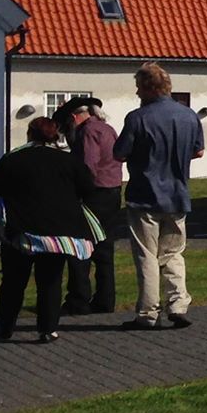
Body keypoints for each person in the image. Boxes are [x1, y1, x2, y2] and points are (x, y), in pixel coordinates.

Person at [0, 118, 99, 343]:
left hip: (22, 230)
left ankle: (6, 326)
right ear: (55, 135)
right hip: (58, 233)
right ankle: (48, 329)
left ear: (30, 134)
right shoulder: (69, 160)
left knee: (13, 282)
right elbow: (89, 188)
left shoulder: (14, 159)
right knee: (50, 281)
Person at [112, 61, 205, 330]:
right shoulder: (189, 116)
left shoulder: (137, 118)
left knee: (147, 255)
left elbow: (119, 153)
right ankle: (178, 305)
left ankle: (148, 313)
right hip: (177, 195)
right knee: (174, 253)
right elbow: (198, 151)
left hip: (145, 194)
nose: (137, 93)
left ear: (149, 88)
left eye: (139, 87)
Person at [57, 97, 123, 314]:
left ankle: (79, 299)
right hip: (112, 192)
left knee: (81, 248)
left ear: (73, 117)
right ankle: (105, 299)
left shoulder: (87, 132)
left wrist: (73, 192)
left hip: (93, 195)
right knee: (104, 249)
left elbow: (87, 167)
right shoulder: (107, 129)